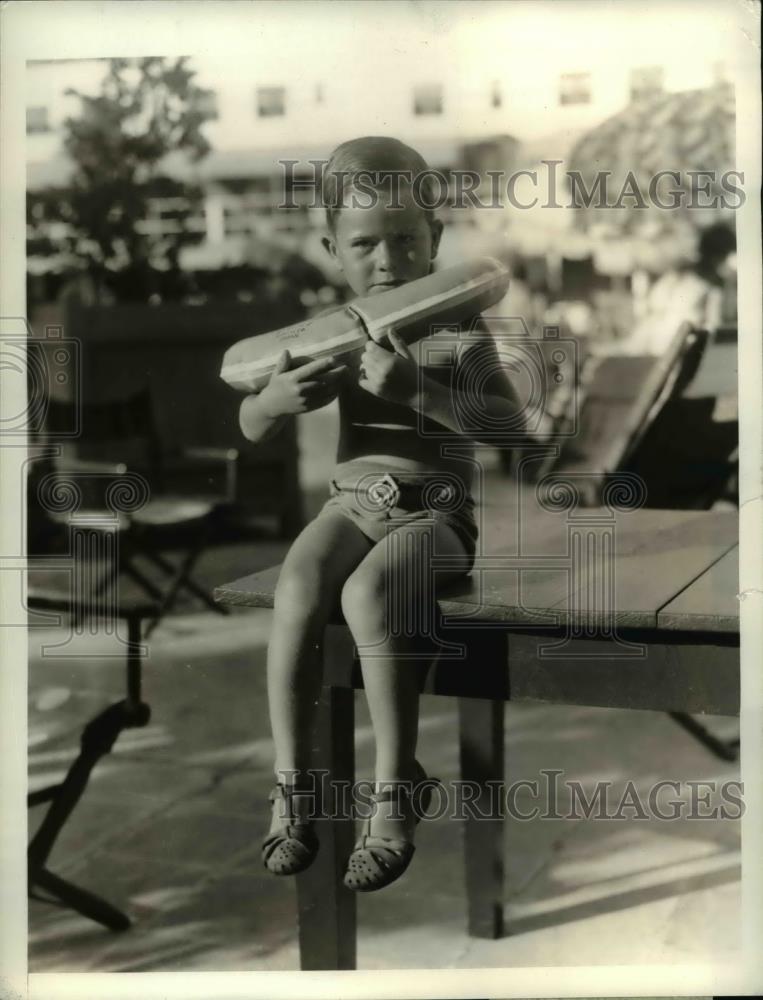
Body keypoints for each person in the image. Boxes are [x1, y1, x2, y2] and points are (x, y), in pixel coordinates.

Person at [238, 136, 525, 892]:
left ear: (435, 239)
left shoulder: (459, 324)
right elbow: (249, 423)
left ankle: (396, 788)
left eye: (406, 239)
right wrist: (272, 400)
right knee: (299, 584)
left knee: (368, 594)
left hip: (438, 517)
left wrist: (418, 394)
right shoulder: (326, 333)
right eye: (365, 243)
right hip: (350, 506)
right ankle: (293, 784)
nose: (388, 259)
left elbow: (510, 429)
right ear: (334, 248)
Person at [615, 222, 736, 356]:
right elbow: (713, 326)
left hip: (659, 344)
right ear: (719, 258)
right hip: (668, 346)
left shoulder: (680, 276)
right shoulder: (707, 285)